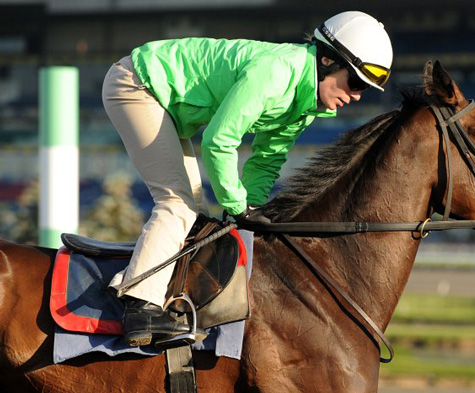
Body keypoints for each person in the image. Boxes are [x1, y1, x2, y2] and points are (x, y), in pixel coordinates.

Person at [102, 10, 394, 347]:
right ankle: (139, 304)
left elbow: (267, 160)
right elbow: (218, 141)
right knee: (177, 206)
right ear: (327, 59)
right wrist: (237, 206)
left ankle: (169, 300)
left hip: (166, 103)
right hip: (137, 83)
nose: (356, 95)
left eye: (365, 90)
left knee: (197, 216)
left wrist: (248, 209)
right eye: (355, 83)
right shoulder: (276, 72)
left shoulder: (306, 104)